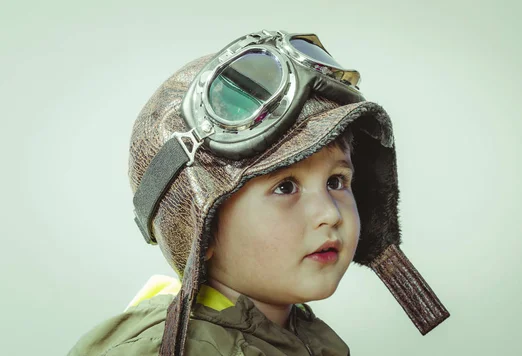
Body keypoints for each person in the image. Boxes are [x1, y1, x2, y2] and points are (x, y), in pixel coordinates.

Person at [68, 30, 450, 356]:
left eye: (337, 181)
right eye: (285, 187)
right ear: (202, 226)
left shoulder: (290, 335)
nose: (330, 214)